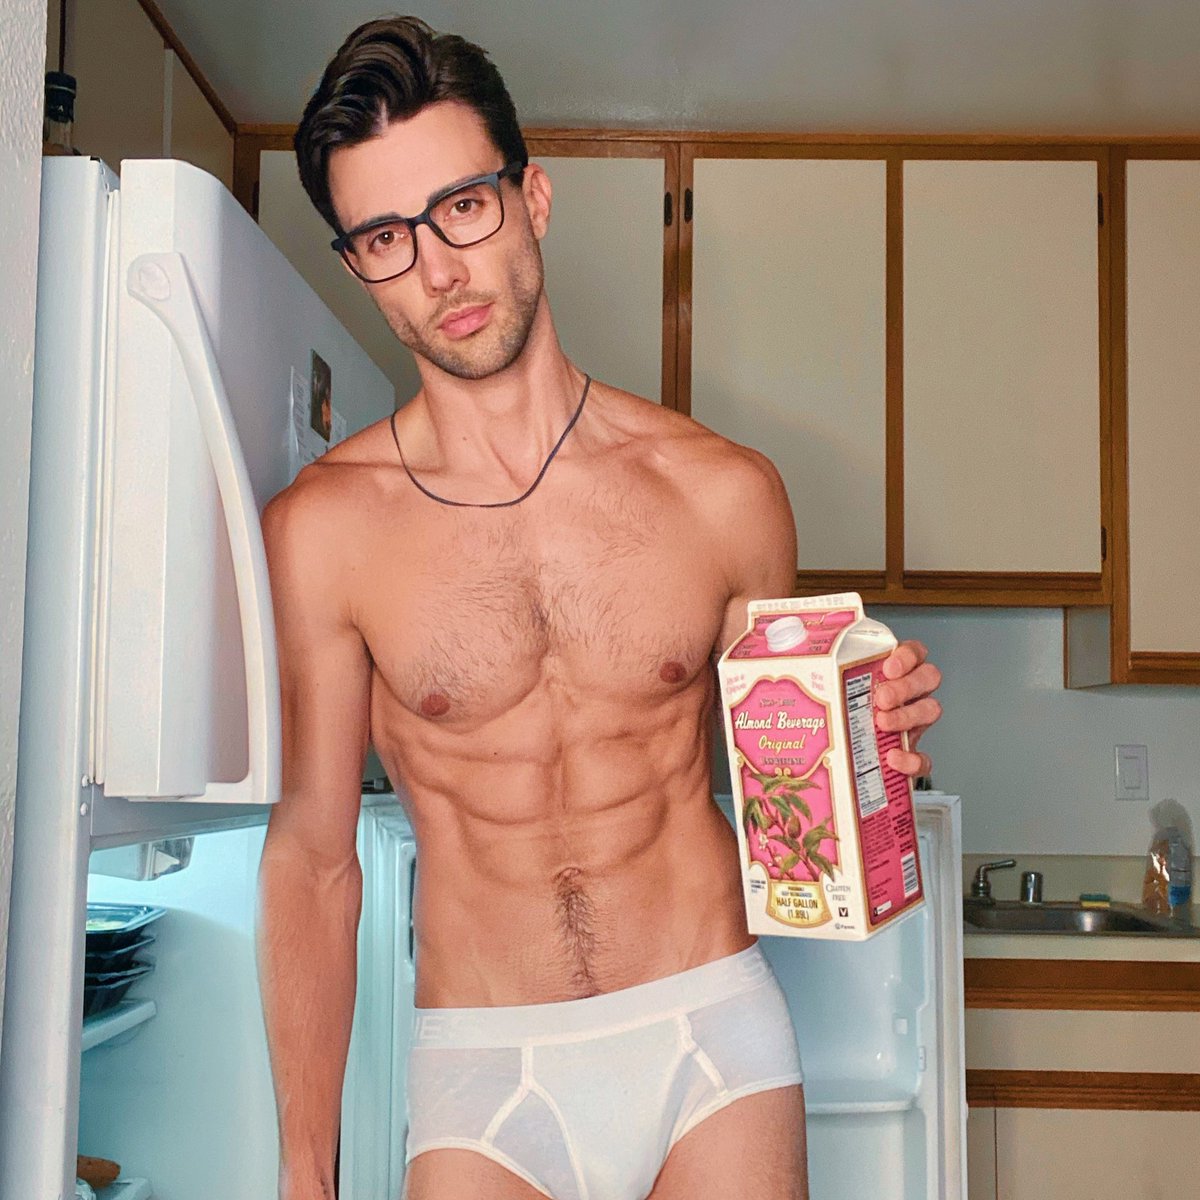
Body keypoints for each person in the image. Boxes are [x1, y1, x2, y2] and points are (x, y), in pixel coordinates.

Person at [257, 16, 943, 1200]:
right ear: (357, 263)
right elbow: (316, 859)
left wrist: (871, 742)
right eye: (385, 237)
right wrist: (302, 1175)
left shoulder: (724, 495)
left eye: (461, 208)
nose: (438, 270)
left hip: (710, 1037)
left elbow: (796, 814)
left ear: (532, 198)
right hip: (484, 1069)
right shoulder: (325, 529)